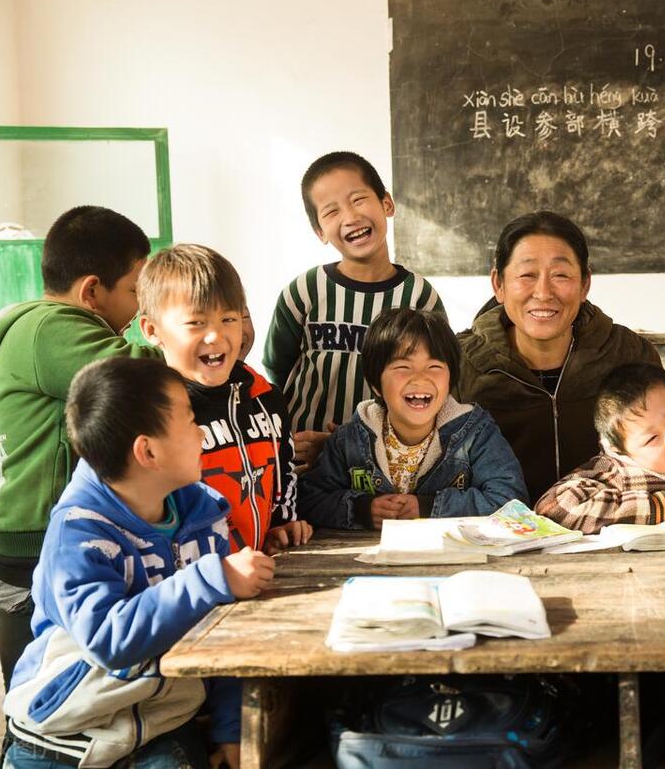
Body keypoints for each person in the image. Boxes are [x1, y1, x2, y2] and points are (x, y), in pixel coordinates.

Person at [1, 357, 274, 769]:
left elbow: (224, 631)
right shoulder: (77, 534)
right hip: (64, 732)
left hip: (162, 724)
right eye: (188, 421)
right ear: (147, 451)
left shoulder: (202, 513)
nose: (201, 433)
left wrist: (231, 729)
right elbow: (109, 640)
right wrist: (209, 580)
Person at [0, 205, 159, 690]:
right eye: (135, 292)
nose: (142, 307)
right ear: (92, 291)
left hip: (52, 538)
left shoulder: (42, 327)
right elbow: (135, 375)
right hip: (37, 545)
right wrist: (185, 330)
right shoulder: (51, 327)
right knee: (42, 700)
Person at [458, 211, 661, 501]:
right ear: (498, 285)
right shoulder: (458, 363)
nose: (543, 292)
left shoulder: (629, 354)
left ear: (584, 285)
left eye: (561, 275)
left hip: (608, 529)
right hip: (494, 535)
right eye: (527, 275)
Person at [262, 151, 445, 468]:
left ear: (386, 204)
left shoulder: (419, 297)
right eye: (331, 212)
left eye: (358, 200)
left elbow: (435, 383)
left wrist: (343, 445)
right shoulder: (304, 291)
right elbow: (278, 368)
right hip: (304, 464)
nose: (349, 217)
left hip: (386, 462)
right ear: (320, 232)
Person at [139, 244, 311, 554]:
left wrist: (280, 525)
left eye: (229, 319)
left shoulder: (266, 398)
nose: (216, 336)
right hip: (190, 590)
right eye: (196, 322)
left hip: (260, 580)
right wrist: (215, 576)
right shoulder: (147, 415)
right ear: (151, 330)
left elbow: (284, 475)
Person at [297, 308, 526, 529]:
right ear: (376, 384)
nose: (420, 378)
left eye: (434, 366)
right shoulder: (349, 440)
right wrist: (361, 509)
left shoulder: (476, 432)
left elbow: (510, 500)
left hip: (453, 559)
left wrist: (429, 508)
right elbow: (310, 499)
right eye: (403, 367)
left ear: (451, 378)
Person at [534, 363, 665, 534]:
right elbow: (553, 508)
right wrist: (658, 506)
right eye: (651, 438)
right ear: (620, 449)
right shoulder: (616, 472)